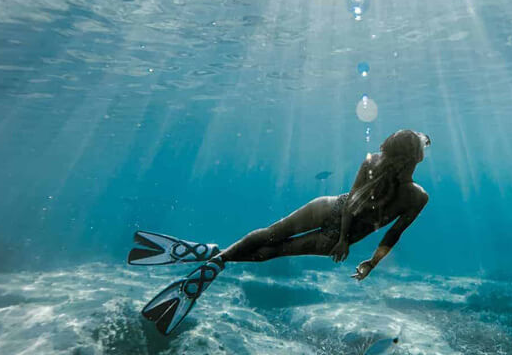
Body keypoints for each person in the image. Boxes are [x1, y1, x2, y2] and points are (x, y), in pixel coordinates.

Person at [128, 129, 431, 335]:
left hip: (329, 208)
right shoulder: (417, 197)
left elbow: (351, 202)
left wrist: (341, 237)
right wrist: (362, 257)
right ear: (416, 158)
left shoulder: (371, 161)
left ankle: (214, 256)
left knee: (270, 233)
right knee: (273, 252)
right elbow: (393, 235)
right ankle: (219, 261)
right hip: (341, 237)